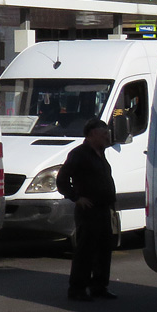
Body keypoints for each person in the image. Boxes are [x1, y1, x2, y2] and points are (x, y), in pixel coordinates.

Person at [58, 118, 118, 302]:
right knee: (86, 251)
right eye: (104, 133)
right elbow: (62, 179)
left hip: (103, 209)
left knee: (103, 249)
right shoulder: (79, 154)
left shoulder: (101, 153)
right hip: (89, 210)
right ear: (92, 135)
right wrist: (76, 197)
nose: (108, 137)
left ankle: (99, 286)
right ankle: (77, 289)